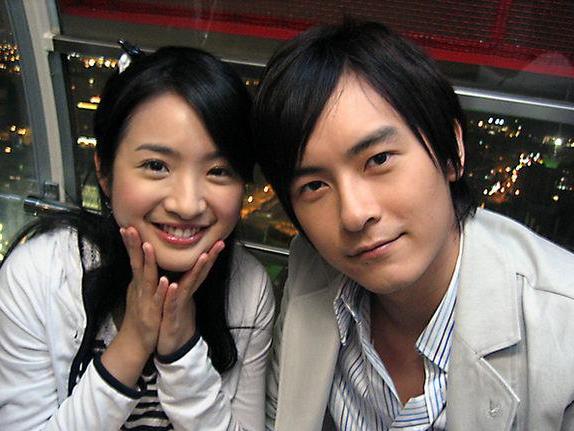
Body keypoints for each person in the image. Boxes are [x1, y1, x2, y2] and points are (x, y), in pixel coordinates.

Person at [253, 20, 574, 430]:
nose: (353, 214)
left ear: (452, 150)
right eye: (314, 185)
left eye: (379, 160)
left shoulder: (562, 328)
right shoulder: (309, 273)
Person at [0, 46, 274, 430]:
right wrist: (132, 341)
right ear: (105, 172)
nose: (187, 204)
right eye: (156, 165)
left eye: (218, 170)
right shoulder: (40, 274)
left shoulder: (248, 289)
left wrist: (182, 350)